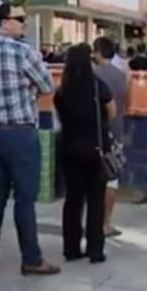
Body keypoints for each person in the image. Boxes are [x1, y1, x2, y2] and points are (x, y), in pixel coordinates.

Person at [0, 2, 60, 274]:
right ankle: (31, 258)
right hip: (21, 131)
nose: (24, 24)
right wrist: (28, 90)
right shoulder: (24, 52)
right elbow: (48, 86)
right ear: (4, 22)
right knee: (25, 199)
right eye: (20, 19)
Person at [55, 44, 115, 263]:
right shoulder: (98, 87)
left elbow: (60, 117)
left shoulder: (62, 90)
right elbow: (112, 112)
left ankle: (71, 248)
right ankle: (95, 249)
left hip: (69, 149)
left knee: (73, 200)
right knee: (95, 201)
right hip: (95, 149)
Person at [93, 36, 128, 236]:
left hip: (95, 132)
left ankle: (91, 222)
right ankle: (106, 223)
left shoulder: (92, 74)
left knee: (91, 180)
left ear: (98, 52)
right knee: (112, 179)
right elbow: (125, 102)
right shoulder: (121, 74)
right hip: (116, 131)